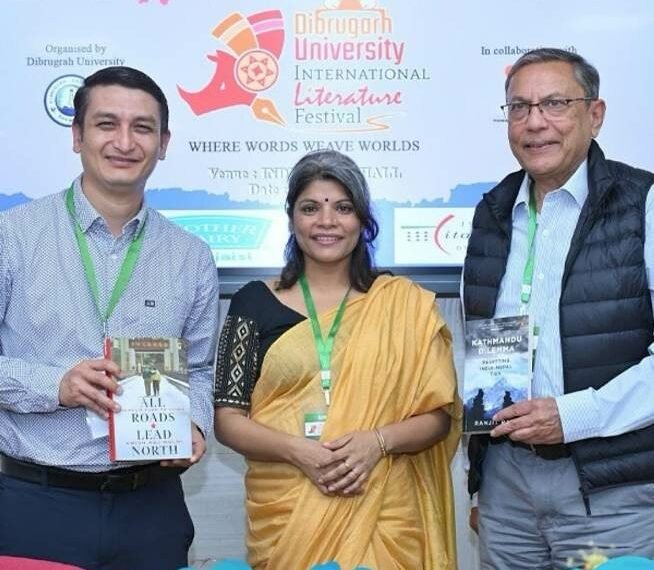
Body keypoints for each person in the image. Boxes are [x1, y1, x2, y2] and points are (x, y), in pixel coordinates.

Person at [0, 66, 220, 570]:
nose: (124, 142)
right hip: (35, 503)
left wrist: (195, 423)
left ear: (163, 144)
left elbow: (200, 370)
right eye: (106, 124)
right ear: (77, 136)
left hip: (151, 508)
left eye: (142, 127)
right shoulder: (12, 237)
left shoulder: (191, 256)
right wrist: (56, 385)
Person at [214, 149, 461, 569]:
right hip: (287, 517)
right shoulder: (252, 302)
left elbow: (439, 416)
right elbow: (227, 419)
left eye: (343, 208)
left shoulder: (402, 304)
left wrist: (377, 442)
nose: (326, 221)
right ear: (292, 218)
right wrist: (298, 452)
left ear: (363, 220)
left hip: (383, 510)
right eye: (311, 208)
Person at [462, 48, 654, 568]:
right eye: (519, 107)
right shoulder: (491, 213)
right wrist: (481, 484)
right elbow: (484, 347)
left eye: (554, 103)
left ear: (595, 115)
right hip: (506, 488)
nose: (534, 122)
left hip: (610, 485)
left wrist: (573, 416)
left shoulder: (643, 202)